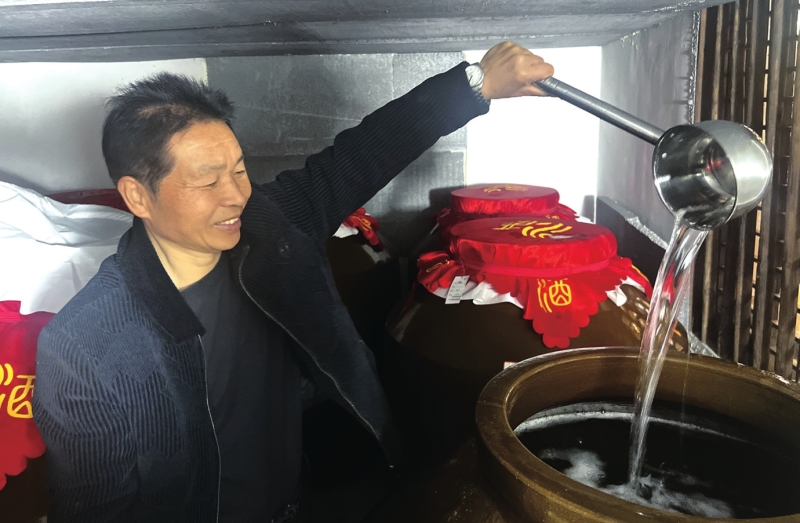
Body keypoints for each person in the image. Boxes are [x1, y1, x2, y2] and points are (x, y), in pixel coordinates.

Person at [32, 41, 554, 523]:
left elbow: (357, 159)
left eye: (239, 171)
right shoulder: (84, 348)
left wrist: (475, 83)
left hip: (306, 500)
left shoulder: (265, 228)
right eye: (208, 180)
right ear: (137, 196)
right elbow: (94, 512)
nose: (236, 196)